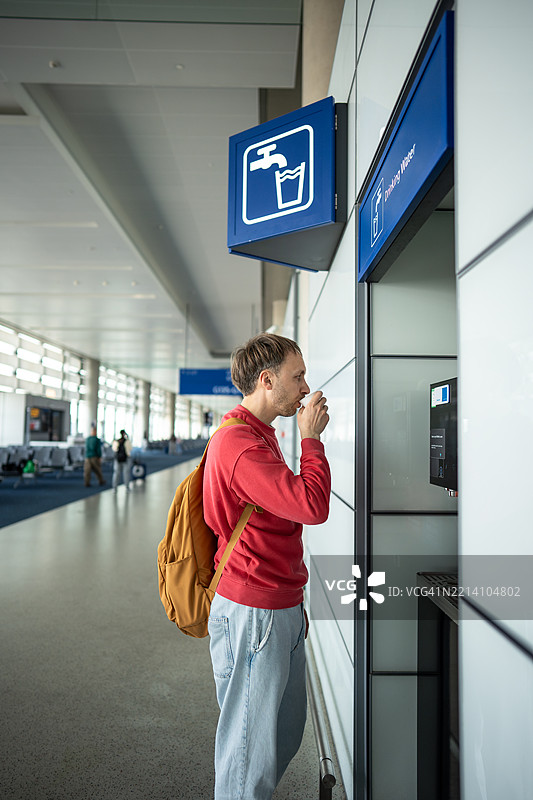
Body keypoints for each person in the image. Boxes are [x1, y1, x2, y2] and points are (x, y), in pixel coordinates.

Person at [203, 333, 331, 800]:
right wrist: (312, 440)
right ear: (266, 379)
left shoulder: (259, 436)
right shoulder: (240, 445)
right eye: (297, 377)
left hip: (276, 603)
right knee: (247, 753)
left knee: (282, 731)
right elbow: (311, 505)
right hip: (255, 607)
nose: (304, 386)